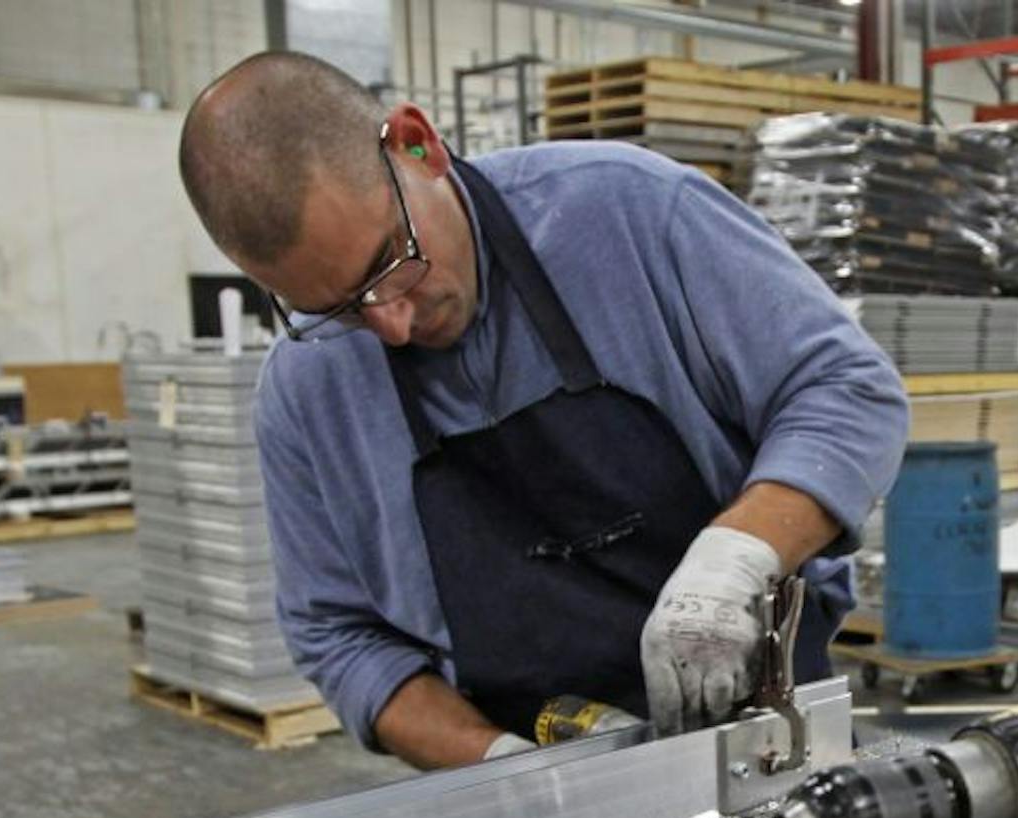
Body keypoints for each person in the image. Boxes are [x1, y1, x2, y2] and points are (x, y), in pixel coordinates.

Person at [176, 52, 907, 769]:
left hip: (769, 740)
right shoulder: (305, 391)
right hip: (532, 782)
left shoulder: (630, 213)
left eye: (389, 263)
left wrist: (735, 561)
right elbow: (338, 634)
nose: (391, 324)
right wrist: (503, 765)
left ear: (418, 145)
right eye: (337, 309)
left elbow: (845, 388)